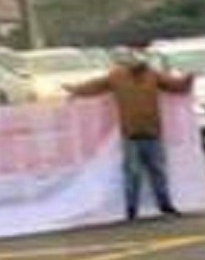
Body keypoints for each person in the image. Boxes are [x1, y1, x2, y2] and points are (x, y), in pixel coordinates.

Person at [69, 42, 193, 221]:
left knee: (156, 171)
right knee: (134, 173)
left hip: (151, 132)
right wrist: (77, 90)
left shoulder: (152, 75)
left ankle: (165, 205)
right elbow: (95, 86)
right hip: (132, 134)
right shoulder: (118, 77)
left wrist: (187, 81)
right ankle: (132, 209)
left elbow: (175, 86)